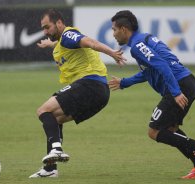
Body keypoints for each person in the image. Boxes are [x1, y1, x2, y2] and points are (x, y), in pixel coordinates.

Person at [108, 10, 195, 179]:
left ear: (124, 29)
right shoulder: (144, 38)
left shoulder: (136, 46)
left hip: (179, 85)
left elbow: (163, 66)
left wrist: (176, 92)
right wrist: (124, 82)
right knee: (171, 129)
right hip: (188, 81)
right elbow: (150, 70)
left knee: (154, 131)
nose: (113, 34)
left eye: (114, 29)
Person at [29, 9, 126, 178]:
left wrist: (111, 53)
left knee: (43, 111)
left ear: (59, 22)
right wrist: (49, 44)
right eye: (43, 28)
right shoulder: (62, 41)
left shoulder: (68, 35)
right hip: (100, 93)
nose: (45, 32)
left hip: (90, 84)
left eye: (47, 27)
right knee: (53, 118)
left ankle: (56, 149)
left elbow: (90, 42)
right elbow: (63, 44)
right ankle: (50, 169)